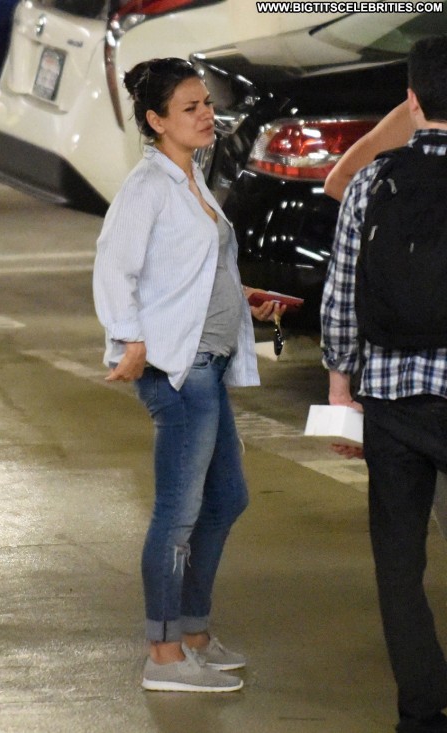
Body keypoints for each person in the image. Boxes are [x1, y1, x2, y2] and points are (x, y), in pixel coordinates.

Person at [93, 57, 280, 693]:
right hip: (178, 368)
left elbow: (186, 269)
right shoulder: (146, 187)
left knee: (226, 497)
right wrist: (130, 338)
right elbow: (113, 267)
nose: (207, 116)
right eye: (190, 108)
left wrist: (242, 298)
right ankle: (165, 655)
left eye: (207, 104)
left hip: (209, 360)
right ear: (155, 120)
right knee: (178, 513)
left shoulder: (191, 175)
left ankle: (194, 633)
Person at [321, 35, 447, 733]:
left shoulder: (373, 181)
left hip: (394, 400)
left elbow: (342, 296)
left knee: (399, 566)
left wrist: (341, 390)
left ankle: (421, 711)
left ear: (412, 100)